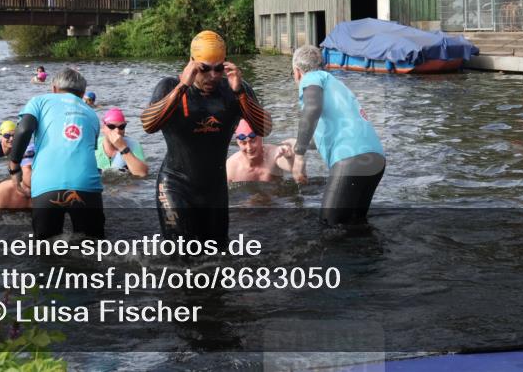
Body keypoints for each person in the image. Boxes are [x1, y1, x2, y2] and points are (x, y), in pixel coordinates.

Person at [141, 30, 271, 244]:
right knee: (180, 253)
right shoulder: (169, 86)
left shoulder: (234, 89)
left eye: (219, 68)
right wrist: (182, 87)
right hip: (175, 184)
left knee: (217, 254)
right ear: (192, 63)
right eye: (204, 69)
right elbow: (148, 125)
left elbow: (264, 128)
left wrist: (240, 94)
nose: (213, 76)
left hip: (215, 190)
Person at [290, 45, 386, 226]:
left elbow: (312, 108)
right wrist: (299, 144)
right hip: (376, 159)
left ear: (297, 72)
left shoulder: (311, 77)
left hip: (351, 159)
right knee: (355, 226)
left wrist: (299, 156)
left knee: (329, 227)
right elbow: (328, 131)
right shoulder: (335, 84)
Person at [7, 68, 104, 239]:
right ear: (82, 94)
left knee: (45, 247)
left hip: (46, 184)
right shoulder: (92, 114)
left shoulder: (39, 101)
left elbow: (24, 130)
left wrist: (14, 168)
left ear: (53, 88)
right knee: (94, 246)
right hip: (86, 185)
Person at [226, 119, 295, 183]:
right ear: (238, 143)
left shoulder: (273, 154)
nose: (249, 148)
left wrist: (289, 158)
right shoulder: (231, 167)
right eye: (243, 143)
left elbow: (290, 167)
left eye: (253, 141)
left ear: (261, 138)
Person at [95, 108, 148, 177]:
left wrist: (123, 147)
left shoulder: (133, 145)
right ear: (103, 128)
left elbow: (142, 174)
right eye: (111, 126)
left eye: (121, 127)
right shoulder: (93, 145)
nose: (117, 131)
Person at [0, 145, 35, 209]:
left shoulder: (46, 192)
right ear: (20, 168)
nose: (36, 173)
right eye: (31, 168)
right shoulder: (3, 192)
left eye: (41, 169)